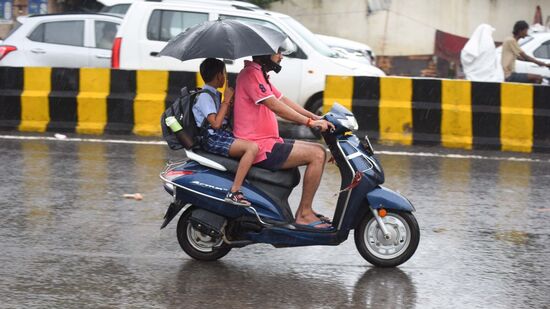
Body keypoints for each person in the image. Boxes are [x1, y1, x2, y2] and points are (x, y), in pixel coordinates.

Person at [233, 50, 335, 229]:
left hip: (270, 141)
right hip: (260, 146)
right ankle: (304, 214)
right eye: (277, 53)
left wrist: (316, 117)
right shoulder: (251, 74)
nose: (281, 57)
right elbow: (276, 107)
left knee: (319, 151)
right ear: (265, 53)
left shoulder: (260, 74)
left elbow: (283, 100)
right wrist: (310, 122)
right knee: (317, 155)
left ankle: (305, 211)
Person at [192, 58, 258, 206]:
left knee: (252, 139)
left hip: (219, 134)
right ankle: (234, 191)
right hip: (211, 138)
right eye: (223, 72)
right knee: (251, 148)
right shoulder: (204, 96)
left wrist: (229, 104)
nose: (225, 75)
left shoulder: (214, 94)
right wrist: (226, 100)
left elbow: (222, 118)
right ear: (218, 76)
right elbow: (215, 124)